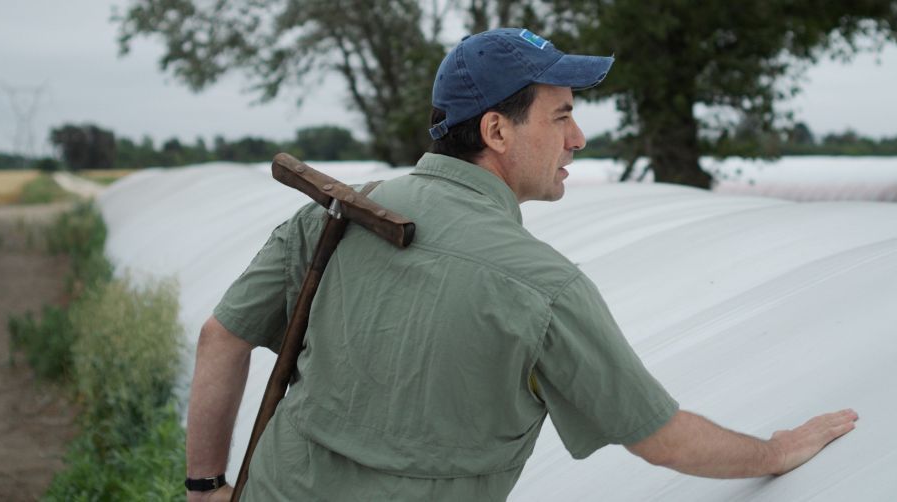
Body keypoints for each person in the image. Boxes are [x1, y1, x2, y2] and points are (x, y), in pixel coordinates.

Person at [185, 28, 858, 501]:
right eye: (561, 115)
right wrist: (774, 452)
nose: (579, 138)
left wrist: (206, 487)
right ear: (497, 131)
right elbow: (661, 439)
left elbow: (222, 338)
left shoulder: (330, 215)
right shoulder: (542, 287)